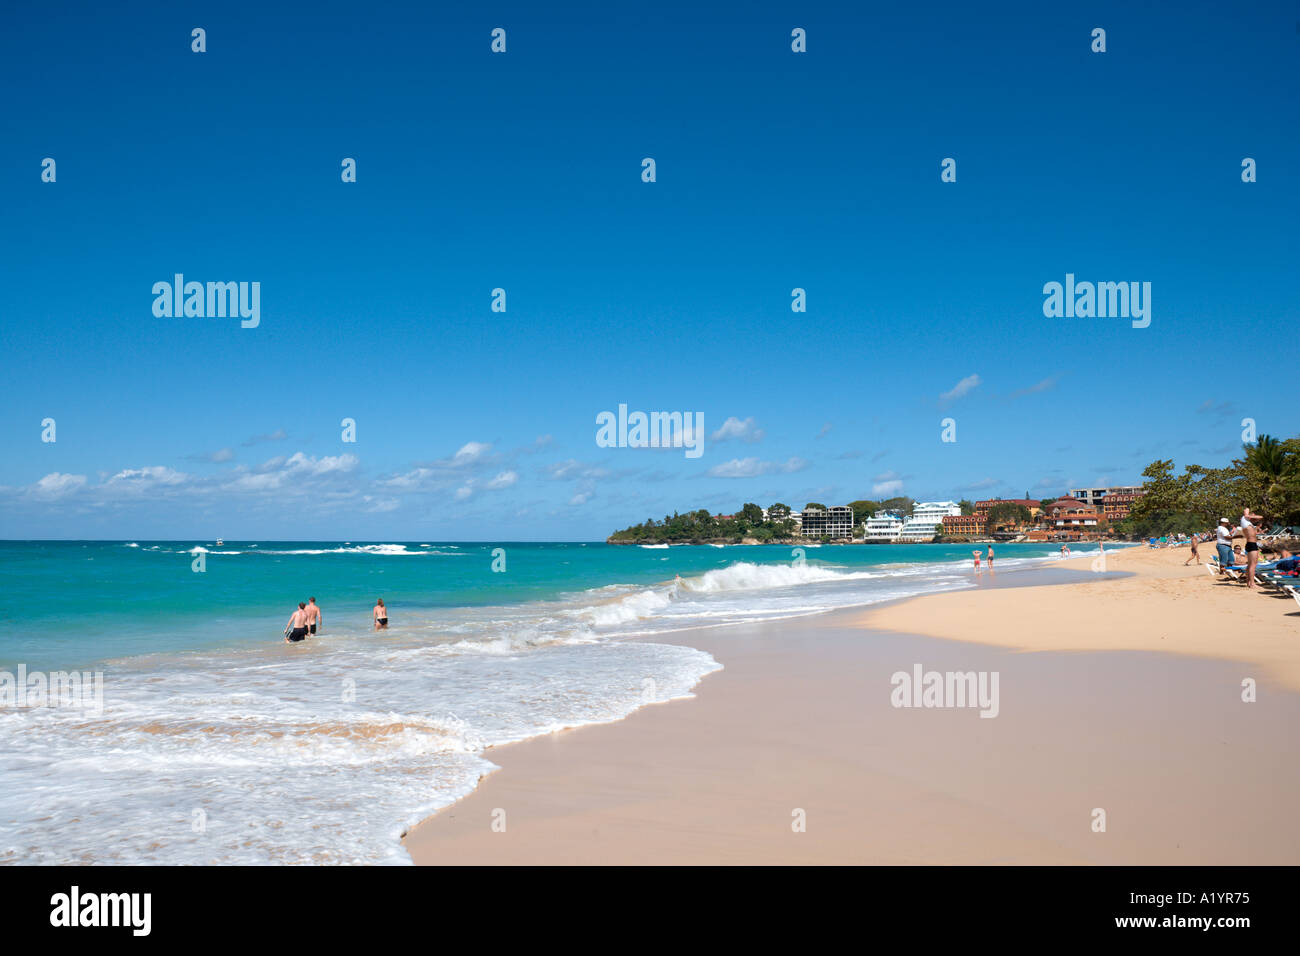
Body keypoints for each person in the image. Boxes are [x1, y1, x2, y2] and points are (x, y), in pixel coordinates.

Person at [1242, 508, 1265, 589]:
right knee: (1253, 565)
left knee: (1250, 565)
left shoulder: (1249, 523)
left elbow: (1254, 533)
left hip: (1251, 544)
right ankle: (1252, 583)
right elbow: (1246, 510)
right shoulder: (1244, 519)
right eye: (1253, 516)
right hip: (1251, 544)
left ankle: (1248, 582)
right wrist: (1252, 516)